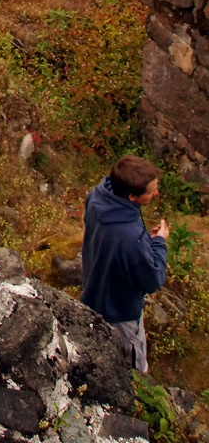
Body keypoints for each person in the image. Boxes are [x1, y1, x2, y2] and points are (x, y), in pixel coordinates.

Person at [80, 155, 168, 374]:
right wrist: (158, 242)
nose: (156, 193)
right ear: (132, 196)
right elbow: (152, 278)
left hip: (94, 288)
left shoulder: (98, 196)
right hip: (120, 310)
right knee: (134, 367)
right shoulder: (130, 238)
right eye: (151, 191)